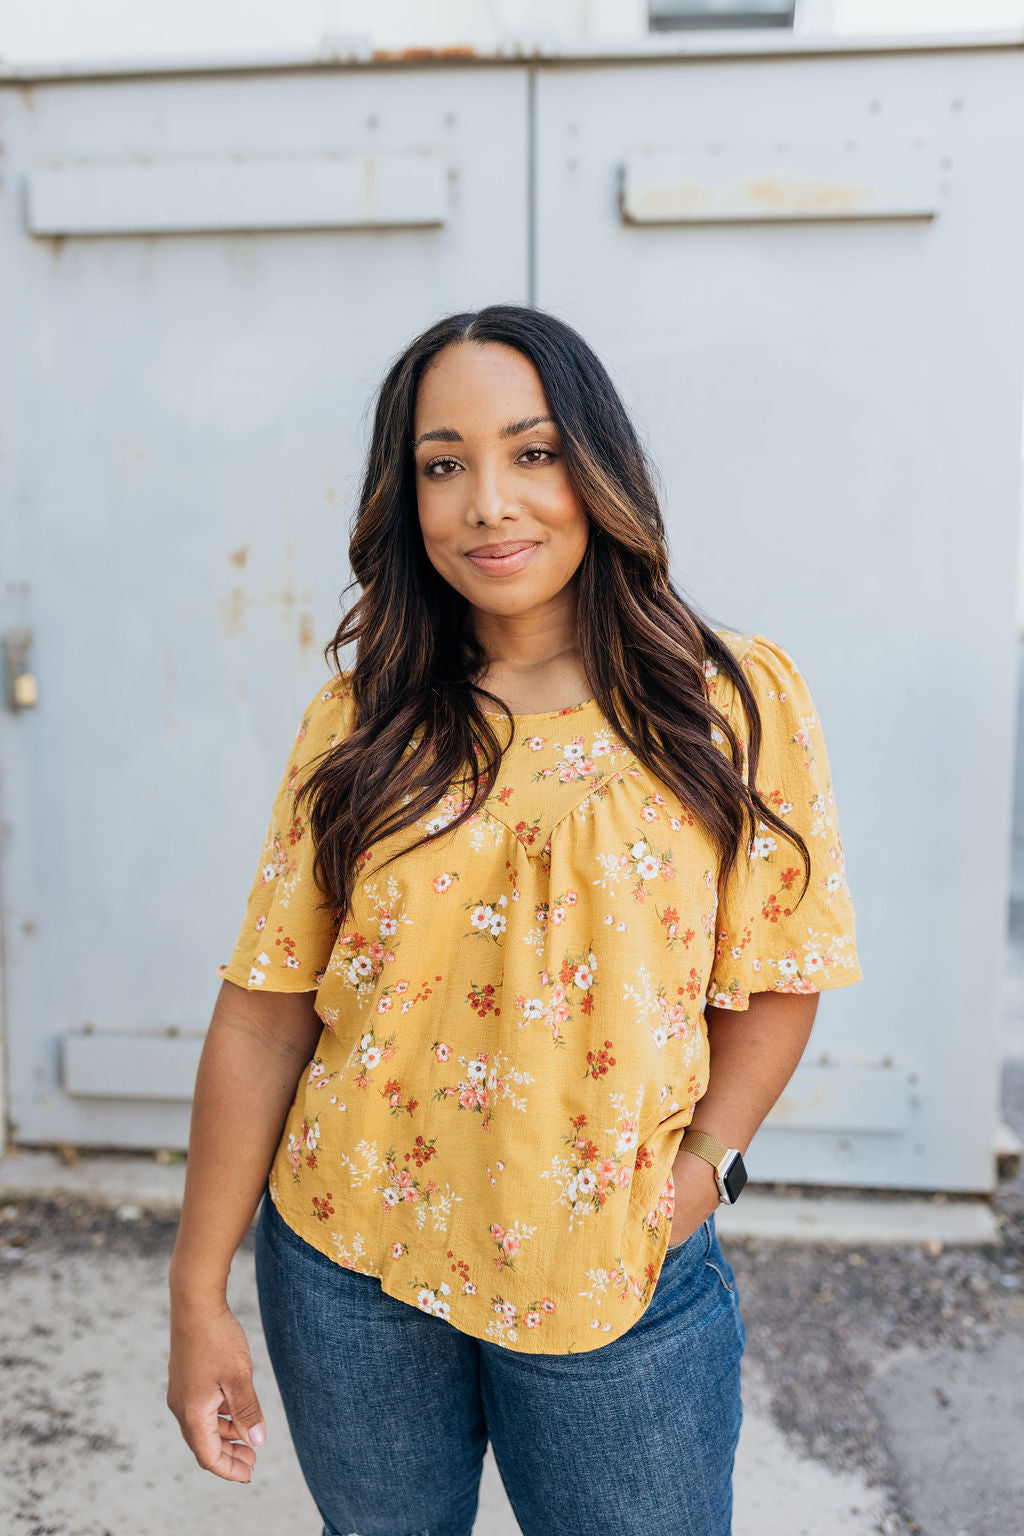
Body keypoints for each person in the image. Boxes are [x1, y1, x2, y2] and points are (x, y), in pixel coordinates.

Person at [166, 303, 861, 1536]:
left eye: (532, 452)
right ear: (407, 495)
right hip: (348, 1266)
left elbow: (780, 972)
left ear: (598, 469)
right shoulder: (359, 719)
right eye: (444, 465)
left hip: (609, 1276)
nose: (489, 501)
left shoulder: (730, 702)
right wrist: (197, 1288)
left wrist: (702, 1169)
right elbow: (269, 1012)